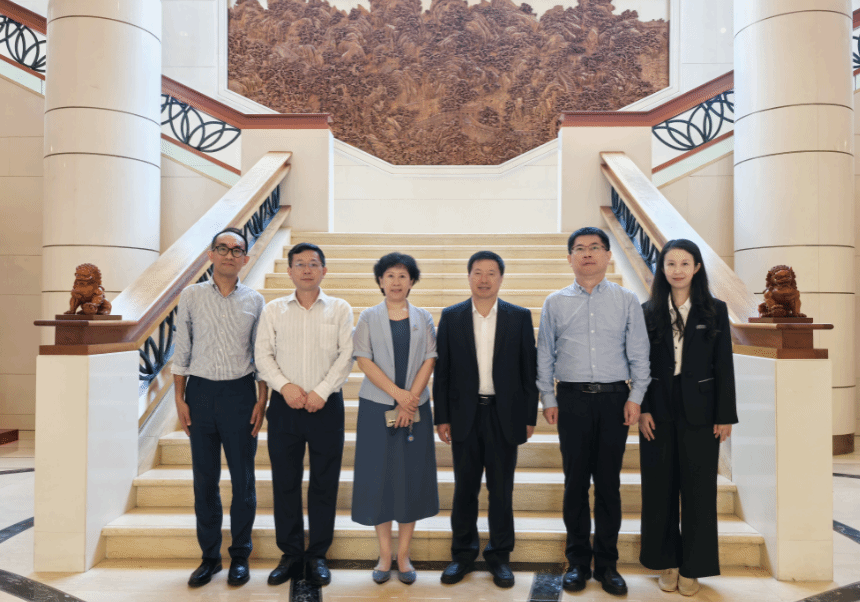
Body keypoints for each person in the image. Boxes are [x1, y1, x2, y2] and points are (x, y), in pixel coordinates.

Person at [537, 227, 650, 596]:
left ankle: (607, 565)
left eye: (595, 247)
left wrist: (637, 397)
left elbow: (639, 353)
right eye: (580, 248)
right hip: (571, 401)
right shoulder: (555, 302)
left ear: (607, 255)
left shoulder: (626, 300)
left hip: (615, 400)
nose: (587, 253)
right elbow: (544, 354)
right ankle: (577, 563)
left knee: (608, 485)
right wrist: (548, 398)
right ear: (570, 257)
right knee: (575, 484)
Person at [433, 251, 539, 589]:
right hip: (464, 414)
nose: (484, 279)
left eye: (491, 273)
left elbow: (529, 371)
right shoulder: (451, 316)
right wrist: (442, 417)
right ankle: (462, 554)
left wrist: (529, 416)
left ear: (501, 278)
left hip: (504, 415)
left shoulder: (518, 317)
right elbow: (443, 372)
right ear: (468, 277)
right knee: (465, 488)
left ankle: (499, 556)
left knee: (501, 489)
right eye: (477, 272)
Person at [638, 239, 737, 597]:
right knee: (659, 489)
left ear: (696, 268)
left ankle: (694, 567)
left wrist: (725, 415)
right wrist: (642, 408)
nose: (677, 270)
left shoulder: (715, 309)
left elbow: (723, 363)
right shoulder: (648, 311)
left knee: (699, 491)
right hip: (657, 410)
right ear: (662, 268)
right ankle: (666, 562)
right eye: (670, 263)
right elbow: (640, 364)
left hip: (702, 411)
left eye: (684, 263)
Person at [254, 242, 354, 587]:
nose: (307, 269)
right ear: (289, 271)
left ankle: (318, 554)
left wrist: (321, 391)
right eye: (300, 264)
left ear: (324, 270)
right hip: (286, 407)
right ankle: (291, 553)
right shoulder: (273, 310)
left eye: (313, 264)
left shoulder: (340, 308)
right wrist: (285, 387)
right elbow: (262, 354)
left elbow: (346, 355)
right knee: (285, 481)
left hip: (327, 407)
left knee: (325, 482)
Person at [172, 227, 267, 588]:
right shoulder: (191, 296)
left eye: (236, 250)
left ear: (245, 258)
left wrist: (262, 399)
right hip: (200, 395)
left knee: (243, 480)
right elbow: (182, 349)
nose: (229, 254)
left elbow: (260, 355)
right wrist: (179, 398)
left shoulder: (255, 301)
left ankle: (240, 555)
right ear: (210, 255)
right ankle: (209, 557)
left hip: (241, 395)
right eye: (222, 248)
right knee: (205, 480)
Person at [351, 252, 440, 585]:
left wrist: (410, 400)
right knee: (379, 479)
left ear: (412, 281)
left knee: (409, 478)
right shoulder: (368, 317)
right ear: (380, 280)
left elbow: (430, 359)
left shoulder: (423, 317)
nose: (396, 282)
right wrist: (398, 396)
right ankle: (384, 554)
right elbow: (363, 359)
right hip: (377, 408)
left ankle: (403, 555)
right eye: (390, 275)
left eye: (403, 276)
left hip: (416, 407)